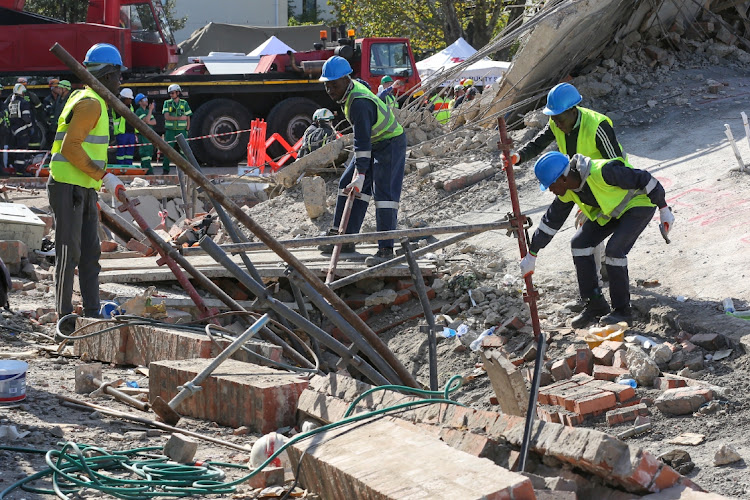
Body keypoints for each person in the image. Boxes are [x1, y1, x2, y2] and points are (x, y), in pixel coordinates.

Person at [519, 151, 674, 328]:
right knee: (579, 243)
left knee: (615, 250)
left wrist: (663, 208)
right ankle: (595, 304)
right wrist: (532, 253)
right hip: (613, 212)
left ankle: (622, 312)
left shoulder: (603, 171)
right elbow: (551, 221)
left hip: (638, 205)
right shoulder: (568, 189)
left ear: (563, 178)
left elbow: (645, 179)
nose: (550, 190)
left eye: (550, 185)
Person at [508, 82, 625, 300]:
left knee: (589, 231)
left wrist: (603, 199)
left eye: (559, 119)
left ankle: (599, 284)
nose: (556, 124)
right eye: (552, 118)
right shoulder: (557, 122)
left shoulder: (598, 126)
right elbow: (538, 142)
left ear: (574, 110)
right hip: (573, 183)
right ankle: (597, 286)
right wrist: (518, 156)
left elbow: (617, 164)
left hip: (604, 186)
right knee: (586, 234)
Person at [48, 42, 127, 332]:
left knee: (91, 252)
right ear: (107, 75)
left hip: (83, 186)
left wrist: (100, 180)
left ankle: (92, 313)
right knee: (69, 254)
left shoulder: (95, 102)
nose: (120, 83)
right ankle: (65, 319)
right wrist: (104, 175)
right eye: (118, 76)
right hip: (67, 186)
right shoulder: (90, 103)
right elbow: (71, 148)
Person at [317, 56, 407, 267]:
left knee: (384, 195)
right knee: (346, 186)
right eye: (327, 86)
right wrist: (359, 176)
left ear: (347, 79)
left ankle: (386, 250)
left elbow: (362, 142)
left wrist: (361, 174)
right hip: (376, 141)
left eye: (334, 85)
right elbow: (364, 144)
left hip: (390, 142)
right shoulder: (351, 92)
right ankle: (344, 238)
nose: (331, 90)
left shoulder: (358, 103)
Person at [162, 83, 191, 175]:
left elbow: (188, 117)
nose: (171, 95)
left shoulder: (184, 103)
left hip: (182, 130)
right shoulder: (167, 103)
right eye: (170, 93)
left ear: (178, 92)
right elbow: (167, 117)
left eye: (173, 93)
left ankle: (186, 170)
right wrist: (180, 118)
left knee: (184, 151)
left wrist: (187, 128)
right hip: (170, 131)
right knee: (167, 150)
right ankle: (165, 170)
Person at [7, 83, 32, 176]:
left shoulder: (11, 103)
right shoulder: (24, 102)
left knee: (16, 151)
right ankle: (20, 171)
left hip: (13, 131)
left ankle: (16, 170)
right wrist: (30, 127)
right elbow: (26, 117)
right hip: (22, 130)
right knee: (22, 151)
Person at [134, 93, 156, 173]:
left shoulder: (146, 111)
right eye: (144, 99)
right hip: (143, 136)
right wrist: (150, 110)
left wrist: (148, 120)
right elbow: (145, 120)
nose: (146, 101)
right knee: (145, 154)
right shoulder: (139, 111)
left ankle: (147, 170)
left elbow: (154, 122)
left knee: (149, 153)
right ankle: (148, 171)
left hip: (149, 136)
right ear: (140, 102)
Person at [113, 88, 136, 165]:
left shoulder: (130, 106)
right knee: (121, 152)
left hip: (130, 132)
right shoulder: (117, 107)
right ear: (125, 99)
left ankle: (128, 166)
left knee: (130, 152)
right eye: (129, 99)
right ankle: (121, 166)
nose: (131, 100)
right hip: (122, 132)